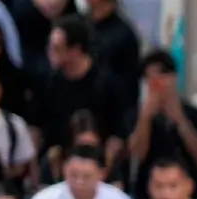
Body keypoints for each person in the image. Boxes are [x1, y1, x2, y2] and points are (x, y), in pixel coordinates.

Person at [32, 14, 127, 172]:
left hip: (98, 164)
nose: (50, 53)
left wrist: (103, 170)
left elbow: (117, 136)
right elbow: (35, 128)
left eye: (56, 48)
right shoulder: (47, 81)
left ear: (75, 50)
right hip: (56, 162)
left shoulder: (107, 84)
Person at [124, 49, 197, 199]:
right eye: (150, 77)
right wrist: (145, 118)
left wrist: (180, 120)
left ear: (173, 77)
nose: (157, 83)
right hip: (148, 194)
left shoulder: (195, 114)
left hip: (191, 194)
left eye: (162, 75)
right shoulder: (135, 115)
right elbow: (137, 154)